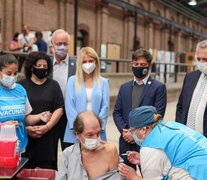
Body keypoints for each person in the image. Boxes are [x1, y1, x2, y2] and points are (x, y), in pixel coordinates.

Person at [119, 106, 207, 180]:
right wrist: (144, 160)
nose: (132, 134)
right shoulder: (170, 125)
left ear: (143, 129)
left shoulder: (150, 148)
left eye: (133, 130)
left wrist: (133, 176)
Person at [113, 48, 167, 167]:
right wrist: (125, 132)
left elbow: (157, 115)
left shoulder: (159, 87)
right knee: (125, 174)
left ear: (149, 66)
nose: (138, 66)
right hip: (126, 141)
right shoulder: (124, 87)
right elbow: (117, 112)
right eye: (136, 64)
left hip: (147, 142)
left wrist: (135, 135)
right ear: (131, 64)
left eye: (142, 64)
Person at [19, 52, 64, 170]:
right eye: (38, 66)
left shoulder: (54, 85)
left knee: (47, 171)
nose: (42, 68)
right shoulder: (21, 86)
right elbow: (18, 111)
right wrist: (25, 128)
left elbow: (59, 108)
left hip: (48, 137)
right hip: (26, 136)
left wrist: (47, 127)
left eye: (45, 66)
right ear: (31, 66)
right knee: (25, 171)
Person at [64, 47, 110, 145]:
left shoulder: (103, 82)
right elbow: (69, 105)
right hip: (76, 132)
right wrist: (77, 128)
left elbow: (105, 107)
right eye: (84, 61)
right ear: (80, 63)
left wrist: (97, 127)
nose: (87, 64)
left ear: (96, 62)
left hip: (96, 132)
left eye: (90, 61)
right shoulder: (72, 81)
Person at [56, 111, 121, 180]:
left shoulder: (109, 151)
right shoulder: (68, 154)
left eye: (98, 133)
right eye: (90, 135)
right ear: (78, 134)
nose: (95, 138)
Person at [50, 29, 76, 150]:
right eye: (59, 43)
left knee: (70, 152)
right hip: (50, 115)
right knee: (50, 153)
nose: (62, 46)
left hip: (69, 117)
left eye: (65, 44)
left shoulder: (76, 64)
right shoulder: (46, 64)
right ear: (52, 44)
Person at [0, 53, 31, 153]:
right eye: (8, 73)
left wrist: (40, 117)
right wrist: (3, 125)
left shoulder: (21, 90)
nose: (12, 77)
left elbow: (26, 117)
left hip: (19, 146)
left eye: (15, 73)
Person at [176, 39, 207, 137]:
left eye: (205, 59)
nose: (201, 63)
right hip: (187, 139)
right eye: (199, 59)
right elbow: (181, 106)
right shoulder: (190, 77)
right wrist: (180, 130)